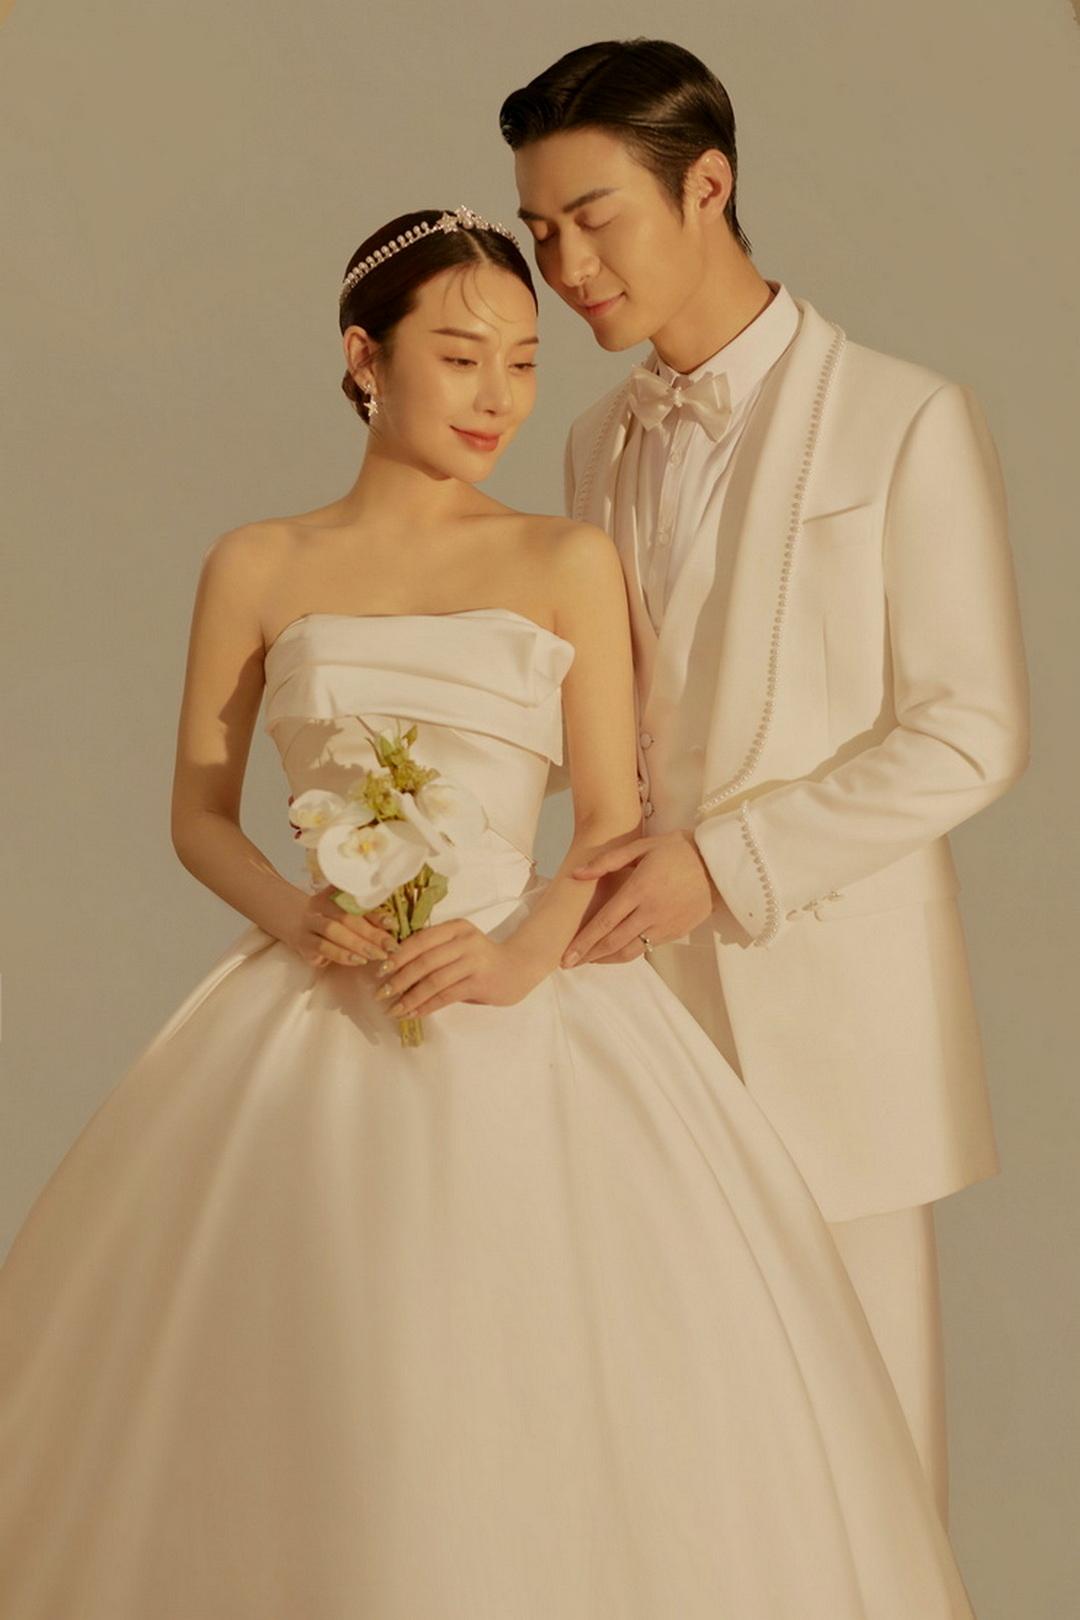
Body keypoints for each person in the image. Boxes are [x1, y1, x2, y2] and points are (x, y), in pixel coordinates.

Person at [0, 204, 980, 1619]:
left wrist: (525, 953)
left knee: (550, 1387)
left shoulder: (566, 560)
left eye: (523, 363)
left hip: (530, 1000)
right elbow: (199, 817)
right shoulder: (256, 565)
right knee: (310, 1373)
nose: (499, 398)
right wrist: (298, 919)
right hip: (317, 1008)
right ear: (365, 357)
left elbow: (610, 815)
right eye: (461, 358)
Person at [500, 38, 1031, 1527]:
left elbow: (971, 729)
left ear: (709, 185)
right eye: (539, 232)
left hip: (838, 1028)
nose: (565, 267)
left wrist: (726, 866)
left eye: (592, 218)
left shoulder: (904, 416)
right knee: (680, 1464)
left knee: (867, 1470)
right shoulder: (595, 444)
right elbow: (611, 729)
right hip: (639, 1021)